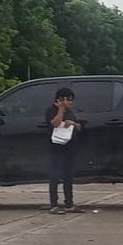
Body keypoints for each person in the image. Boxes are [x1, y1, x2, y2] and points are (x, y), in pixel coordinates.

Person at [45, 87, 83, 215]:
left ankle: (69, 203)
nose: (71, 103)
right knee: (55, 175)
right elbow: (54, 123)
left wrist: (72, 122)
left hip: (69, 147)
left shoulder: (70, 112)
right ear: (62, 99)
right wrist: (60, 109)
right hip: (56, 147)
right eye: (69, 100)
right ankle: (54, 204)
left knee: (68, 175)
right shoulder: (51, 110)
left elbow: (78, 126)